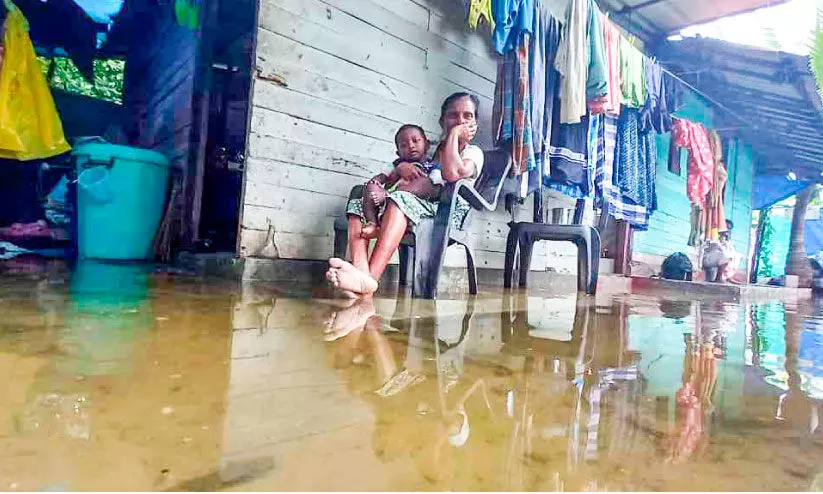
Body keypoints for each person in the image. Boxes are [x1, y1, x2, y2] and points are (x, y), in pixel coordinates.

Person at [326, 93, 484, 297]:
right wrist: (402, 166)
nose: (460, 121)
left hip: (446, 208)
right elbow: (404, 158)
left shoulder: (474, 152)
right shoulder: (429, 146)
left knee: (398, 198)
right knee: (359, 195)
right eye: (453, 116)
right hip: (414, 201)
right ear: (442, 120)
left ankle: (369, 280)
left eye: (467, 116)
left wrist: (454, 135)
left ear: (475, 122)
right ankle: (361, 272)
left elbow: (453, 173)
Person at [355, 124, 444, 239]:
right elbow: (382, 176)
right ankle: (372, 223)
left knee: (424, 182)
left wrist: (428, 181)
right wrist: (374, 183)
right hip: (385, 201)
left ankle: (388, 196)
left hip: (410, 203)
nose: (411, 146)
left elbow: (436, 185)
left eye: (416, 141)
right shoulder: (396, 164)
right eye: (403, 145)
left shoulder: (431, 165)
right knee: (370, 187)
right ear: (398, 152)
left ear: (426, 145)